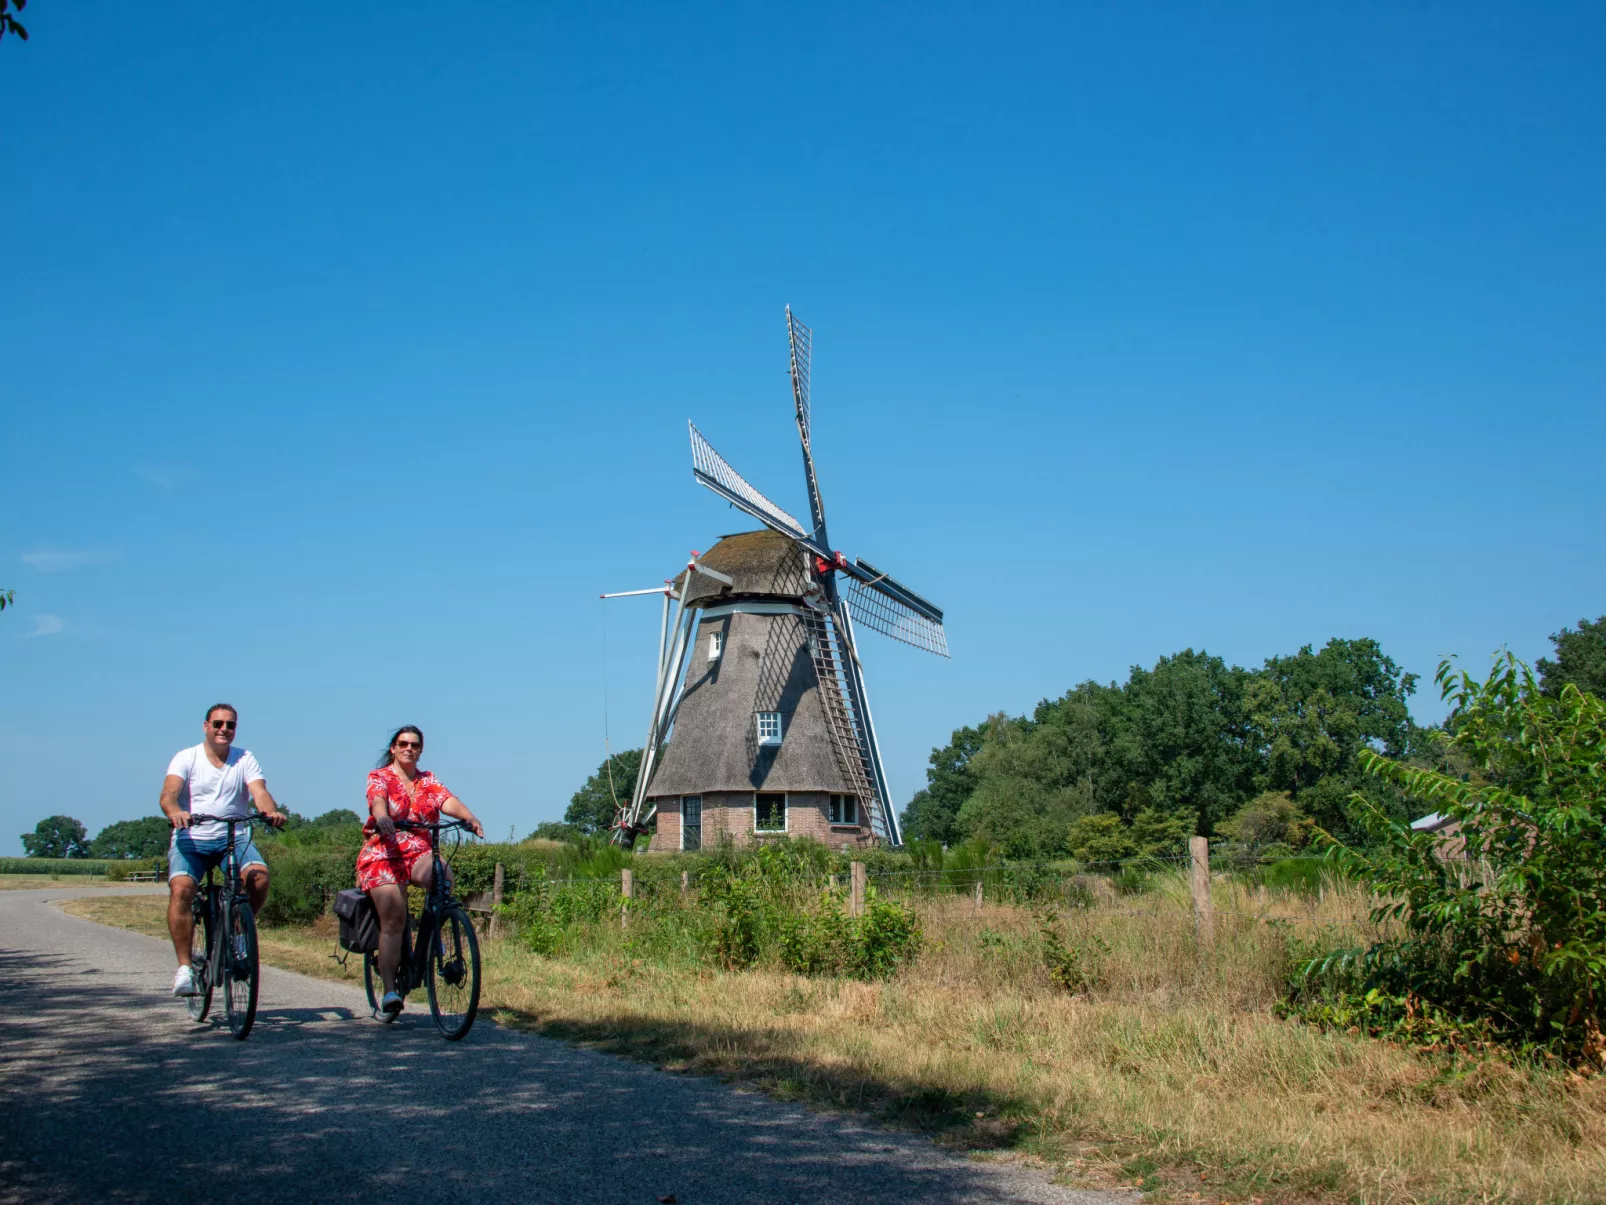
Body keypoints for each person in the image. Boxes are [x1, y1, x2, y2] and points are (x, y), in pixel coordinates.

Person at [159, 703, 286, 997]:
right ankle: (185, 969)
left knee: (259, 878)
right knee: (182, 890)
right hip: (192, 838)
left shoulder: (245, 758)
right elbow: (168, 794)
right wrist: (176, 812)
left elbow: (260, 792)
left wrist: (269, 812)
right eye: (218, 724)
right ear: (206, 726)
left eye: (230, 725)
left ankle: (239, 934)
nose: (224, 730)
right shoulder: (186, 757)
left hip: (233, 837)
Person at [359, 726, 484, 1022]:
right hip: (384, 853)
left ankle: (433, 938)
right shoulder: (380, 777)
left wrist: (469, 817)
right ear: (393, 748)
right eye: (403, 744)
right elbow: (377, 800)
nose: (408, 749)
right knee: (395, 918)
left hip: (418, 850)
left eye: (415, 745)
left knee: (443, 876)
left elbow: (447, 801)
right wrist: (383, 817)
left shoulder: (427, 780)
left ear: (421, 750)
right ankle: (390, 991)